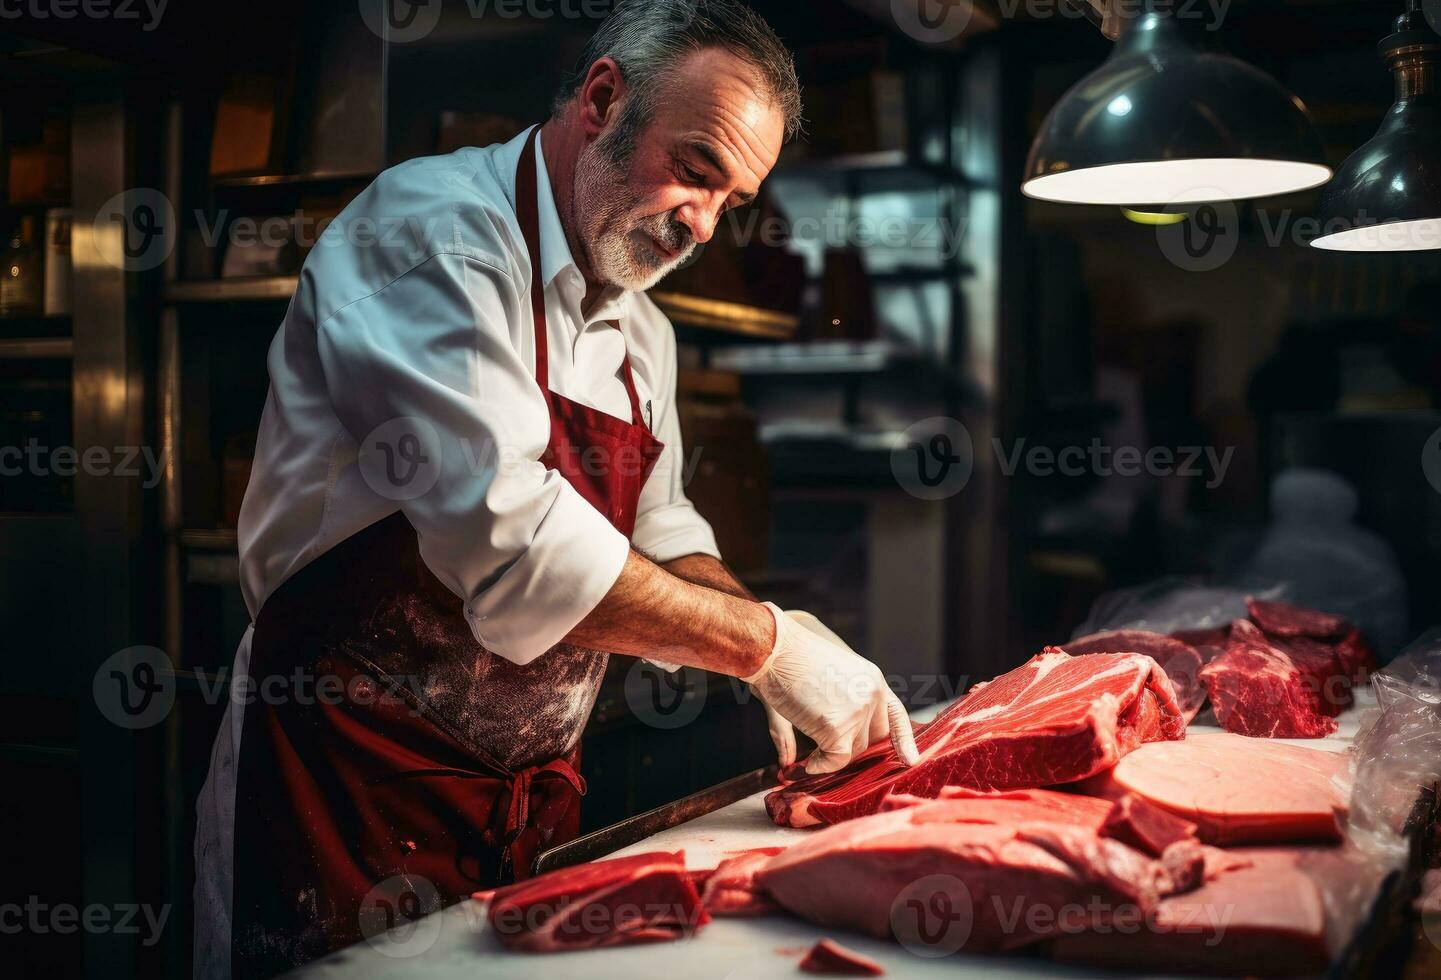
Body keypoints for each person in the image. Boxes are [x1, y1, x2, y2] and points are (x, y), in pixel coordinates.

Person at [193, 2, 917, 976]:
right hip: (345, 787)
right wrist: (764, 648)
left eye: (730, 200)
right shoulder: (432, 237)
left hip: (525, 800)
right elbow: (515, 542)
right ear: (604, 98)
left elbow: (660, 525)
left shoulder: (640, 327)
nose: (700, 223)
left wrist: (776, 627)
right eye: (695, 169)